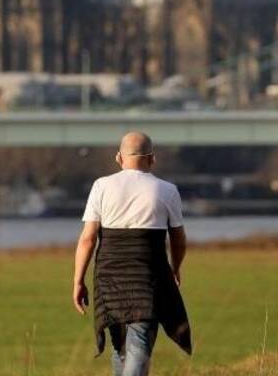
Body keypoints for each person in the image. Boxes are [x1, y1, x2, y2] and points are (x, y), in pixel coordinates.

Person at [72, 131, 191, 375]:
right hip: (147, 278)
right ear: (152, 159)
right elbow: (178, 240)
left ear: (119, 157)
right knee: (139, 345)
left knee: (121, 347)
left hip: (109, 278)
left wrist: (78, 280)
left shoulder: (101, 186)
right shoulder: (167, 190)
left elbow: (88, 238)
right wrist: (175, 267)